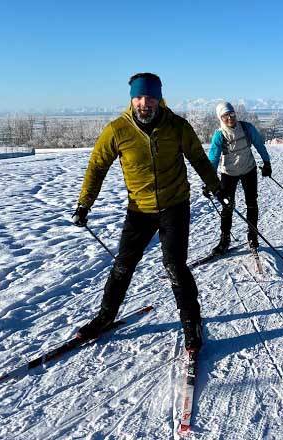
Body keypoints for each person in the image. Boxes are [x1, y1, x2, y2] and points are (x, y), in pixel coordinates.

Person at [71, 72, 222, 351]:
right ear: (132, 99)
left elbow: (198, 159)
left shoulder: (177, 126)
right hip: (139, 209)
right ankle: (105, 317)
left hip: (175, 205)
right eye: (139, 97)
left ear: (159, 98)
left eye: (150, 97)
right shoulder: (117, 130)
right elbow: (97, 167)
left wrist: (216, 186)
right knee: (122, 266)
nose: (144, 103)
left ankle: (192, 323)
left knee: (175, 266)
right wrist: (84, 204)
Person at [206, 102, 271, 255]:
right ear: (220, 118)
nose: (230, 118)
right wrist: (209, 181)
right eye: (225, 115)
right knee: (227, 206)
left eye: (232, 114)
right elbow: (213, 159)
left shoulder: (247, 128)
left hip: (249, 169)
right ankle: (224, 240)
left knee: (252, 203)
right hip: (229, 173)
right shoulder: (219, 135)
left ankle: (252, 236)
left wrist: (266, 162)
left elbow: (259, 144)